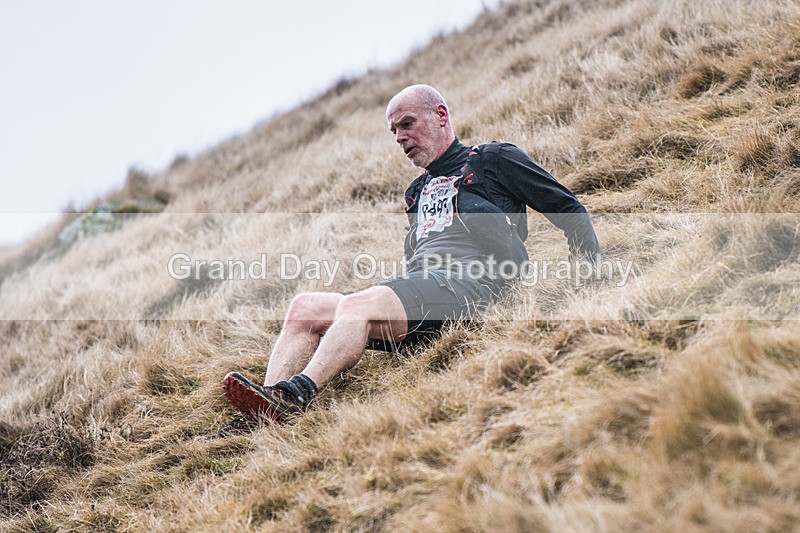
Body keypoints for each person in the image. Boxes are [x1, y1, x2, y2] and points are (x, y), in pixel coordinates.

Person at [210, 84, 599, 437]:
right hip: (427, 296)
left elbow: (568, 208)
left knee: (356, 304)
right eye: (394, 131)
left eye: (407, 124)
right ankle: (261, 412)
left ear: (441, 116)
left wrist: (587, 276)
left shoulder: (493, 160)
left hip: (475, 290)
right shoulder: (417, 191)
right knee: (304, 308)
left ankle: (296, 394)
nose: (400, 137)